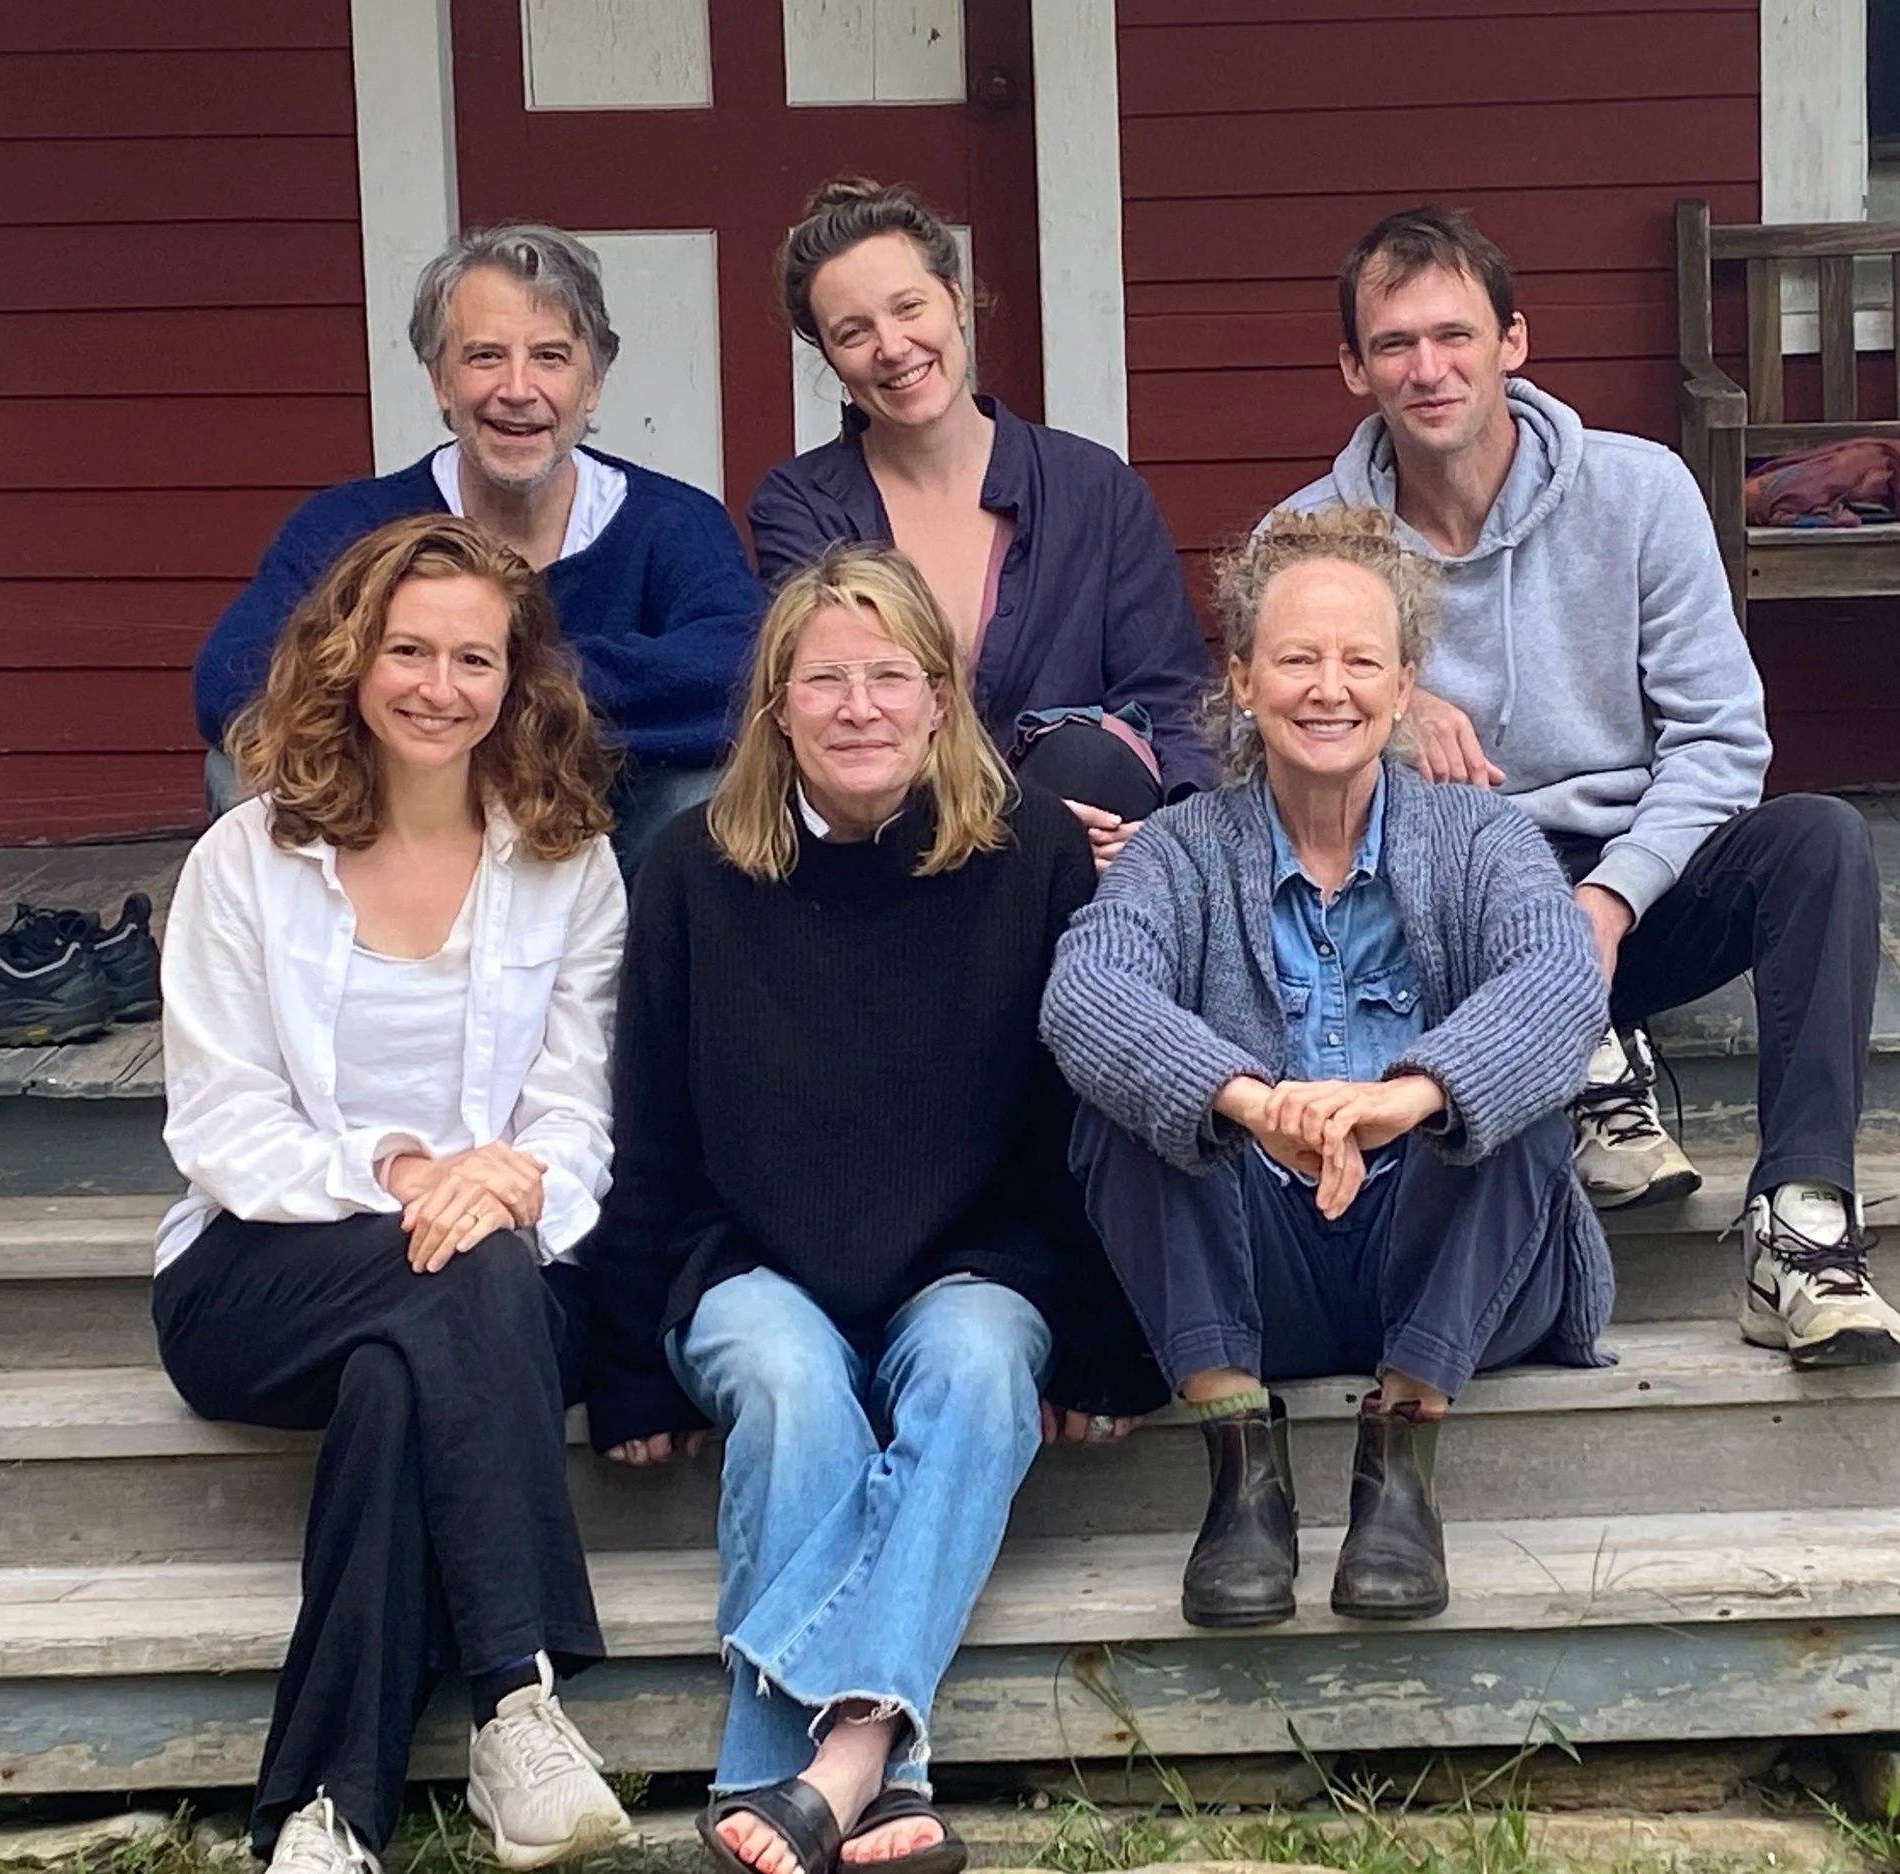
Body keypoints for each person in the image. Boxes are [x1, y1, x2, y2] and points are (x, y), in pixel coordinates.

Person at [584, 543, 1162, 1874]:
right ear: (774, 703)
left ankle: (794, 1778)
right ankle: (878, 1785)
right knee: (788, 1384)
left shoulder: (1027, 862)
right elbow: (650, 1128)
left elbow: (1074, 1124)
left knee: (972, 1368)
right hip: (747, 1258)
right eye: (821, 678)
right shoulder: (688, 869)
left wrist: (1095, 1336)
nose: (856, 706)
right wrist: (625, 1368)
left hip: (969, 1256)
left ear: (941, 693)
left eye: (886, 675)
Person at [1278, 205, 1900, 1369]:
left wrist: (1609, 906)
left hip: (1626, 892)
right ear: (1353, 368)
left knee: (1821, 842)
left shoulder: (1640, 491)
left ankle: (1803, 1223)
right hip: (1455, 919)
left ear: (1514, 340)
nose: (1430, 368)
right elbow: (1256, 768)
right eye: (1397, 344)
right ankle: (1582, 1065)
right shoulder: (1311, 547)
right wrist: (1381, 708)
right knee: (1402, 821)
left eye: (1455, 335)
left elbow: (1721, 738)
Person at [154, 515, 631, 1874]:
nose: (437, 685)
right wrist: (406, 1172)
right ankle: (517, 1696)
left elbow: (579, 1110)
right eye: (407, 650)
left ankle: (322, 1814)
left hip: (493, 1275)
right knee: (458, 1274)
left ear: (516, 678)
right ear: (348, 659)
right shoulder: (245, 861)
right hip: (259, 1274)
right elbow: (224, 1124)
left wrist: (517, 1172)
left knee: (403, 1377)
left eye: (471, 657)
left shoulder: (566, 862)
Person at [1043, 511, 1612, 1631]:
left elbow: (1562, 982)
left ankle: (1401, 1455)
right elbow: (1085, 994)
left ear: (1406, 688)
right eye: (1296, 658)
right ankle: (1242, 1467)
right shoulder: (1179, 846)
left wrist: (1407, 1097)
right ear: (1244, 681)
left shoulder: (1480, 835)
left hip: (1452, 1262)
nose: (1328, 688)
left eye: (1360, 660)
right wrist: (1250, 1103)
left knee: (1516, 1102)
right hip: (1261, 1272)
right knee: (1138, 1108)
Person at [192, 223, 765, 872]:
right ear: (440, 379)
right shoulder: (349, 524)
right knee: (240, 772)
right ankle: (352, 968)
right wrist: (430, 724)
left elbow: (739, 667)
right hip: (394, 825)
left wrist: (506, 687)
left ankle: (642, 976)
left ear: (593, 382)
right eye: (485, 356)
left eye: (550, 357)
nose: (517, 390)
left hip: (601, 830)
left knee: (708, 790)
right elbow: (230, 681)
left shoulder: (672, 522)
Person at [748, 177, 1215, 872]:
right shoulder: (802, 505)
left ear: (957, 300)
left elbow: (1168, 696)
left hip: (1090, 864)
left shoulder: (1093, 488)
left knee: (1087, 759)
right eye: (853, 332)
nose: (892, 346)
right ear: (829, 357)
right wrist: (1019, 827)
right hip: (897, 858)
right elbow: (828, 714)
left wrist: (1159, 840)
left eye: (909, 308)